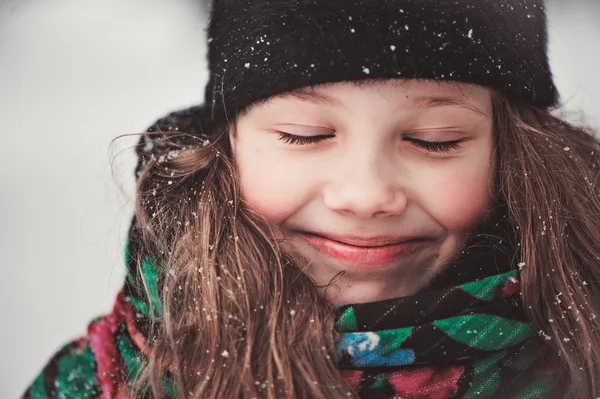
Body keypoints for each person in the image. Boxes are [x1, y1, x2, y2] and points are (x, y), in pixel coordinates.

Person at [21, 0, 600, 398]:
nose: (366, 195)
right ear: (228, 148)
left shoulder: (584, 353)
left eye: (433, 141)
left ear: (514, 155)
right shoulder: (112, 379)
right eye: (306, 135)